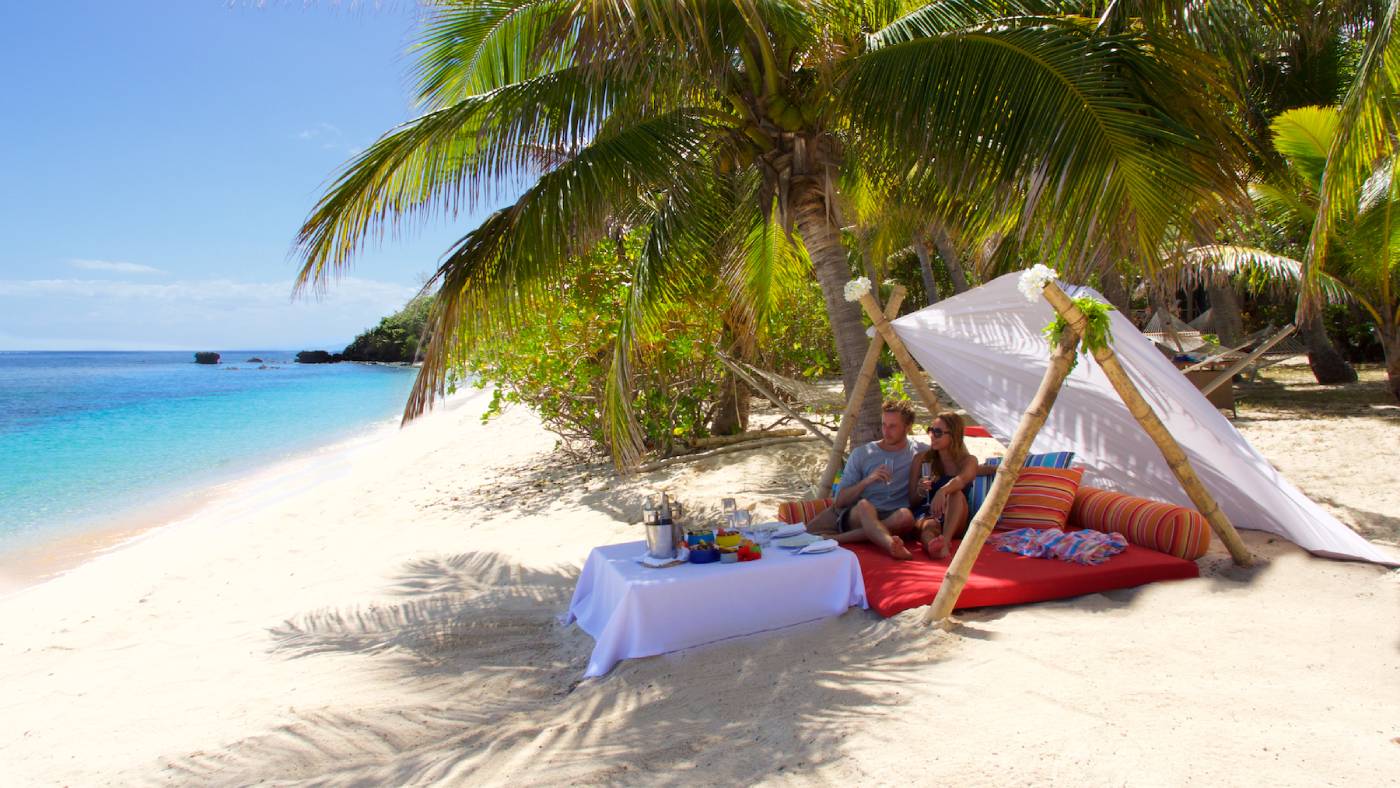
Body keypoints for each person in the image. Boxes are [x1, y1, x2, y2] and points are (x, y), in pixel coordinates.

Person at [816, 399, 926, 560]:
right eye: (884, 425)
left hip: (893, 516)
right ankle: (889, 544)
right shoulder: (863, 454)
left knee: (906, 516)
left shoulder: (920, 451)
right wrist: (868, 480)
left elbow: (956, 457)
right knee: (864, 506)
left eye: (892, 426)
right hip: (860, 515)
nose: (886, 431)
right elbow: (839, 501)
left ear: (908, 427)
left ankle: (838, 539)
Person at [908, 412, 979, 559]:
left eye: (938, 432)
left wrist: (942, 491)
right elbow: (912, 501)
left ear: (953, 435)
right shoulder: (921, 459)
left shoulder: (969, 461)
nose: (932, 435)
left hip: (955, 517)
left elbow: (961, 480)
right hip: (928, 514)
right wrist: (920, 491)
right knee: (929, 527)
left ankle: (945, 542)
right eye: (930, 430)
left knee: (956, 493)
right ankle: (933, 547)